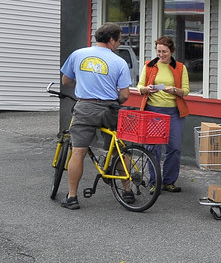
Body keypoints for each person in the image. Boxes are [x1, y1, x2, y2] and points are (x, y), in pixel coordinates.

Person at [59, 23, 132, 210]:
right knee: (119, 148)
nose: (119, 44)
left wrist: (83, 81)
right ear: (112, 40)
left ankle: (72, 197)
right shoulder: (120, 62)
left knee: (78, 151)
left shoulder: (78, 54)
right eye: (118, 40)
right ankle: (127, 191)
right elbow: (124, 95)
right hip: (110, 109)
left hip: (85, 107)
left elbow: (66, 80)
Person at [137, 35, 189, 192]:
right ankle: (154, 182)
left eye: (164, 51)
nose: (161, 54)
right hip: (153, 110)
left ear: (171, 51)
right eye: (158, 51)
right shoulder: (149, 65)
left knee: (174, 147)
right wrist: (147, 89)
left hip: (174, 112)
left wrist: (174, 90)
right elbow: (140, 87)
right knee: (153, 148)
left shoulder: (180, 67)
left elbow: (185, 91)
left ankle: (168, 181)